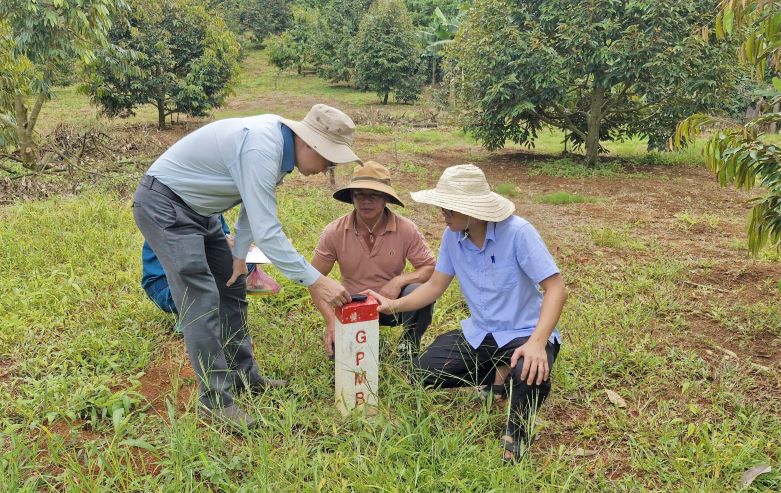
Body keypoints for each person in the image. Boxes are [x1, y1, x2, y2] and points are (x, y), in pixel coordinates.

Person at [132, 104, 359, 431]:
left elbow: (252, 207)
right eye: (327, 159)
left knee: (232, 287)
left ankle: (244, 375)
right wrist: (316, 280)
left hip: (203, 211)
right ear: (310, 143)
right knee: (201, 301)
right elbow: (268, 231)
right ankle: (215, 402)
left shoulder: (280, 151)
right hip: (167, 206)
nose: (325, 168)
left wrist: (239, 253)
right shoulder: (262, 146)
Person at [364, 164, 567, 461]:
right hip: (481, 333)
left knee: (529, 371)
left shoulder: (518, 232)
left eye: (449, 206)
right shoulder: (452, 237)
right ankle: (497, 374)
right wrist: (391, 305)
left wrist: (537, 342)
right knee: (424, 372)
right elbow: (434, 285)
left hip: (524, 333)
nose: (442, 212)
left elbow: (556, 288)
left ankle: (516, 433)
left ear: (471, 209)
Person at [311, 161, 436, 356]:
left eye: (374, 195)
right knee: (342, 359)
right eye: (359, 194)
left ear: (386, 198)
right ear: (352, 197)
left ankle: (408, 347)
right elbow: (314, 279)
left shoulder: (406, 229)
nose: (366, 201)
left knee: (420, 292)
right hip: (352, 306)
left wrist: (399, 281)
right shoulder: (334, 231)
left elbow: (430, 267)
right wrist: (331, 322)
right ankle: (347, 334)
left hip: (392, 305)